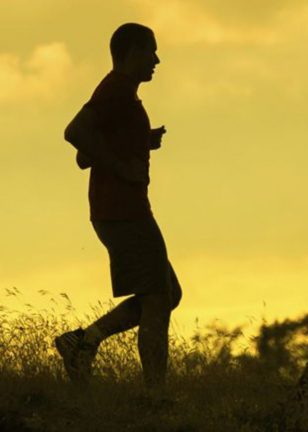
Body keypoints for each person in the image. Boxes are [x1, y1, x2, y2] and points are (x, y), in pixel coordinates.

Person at [56, 23, 181, 389]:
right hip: (123, 211)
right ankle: (155, 396)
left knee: (168, 293)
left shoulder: (121, 94)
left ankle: (83, 341)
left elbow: (84, 155)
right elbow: (74, 132)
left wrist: (139, 140)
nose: (157, 59)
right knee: (158, 299)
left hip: (120, 211)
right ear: (131, 52)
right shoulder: (115, 91)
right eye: (151, 51)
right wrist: (123, 165)